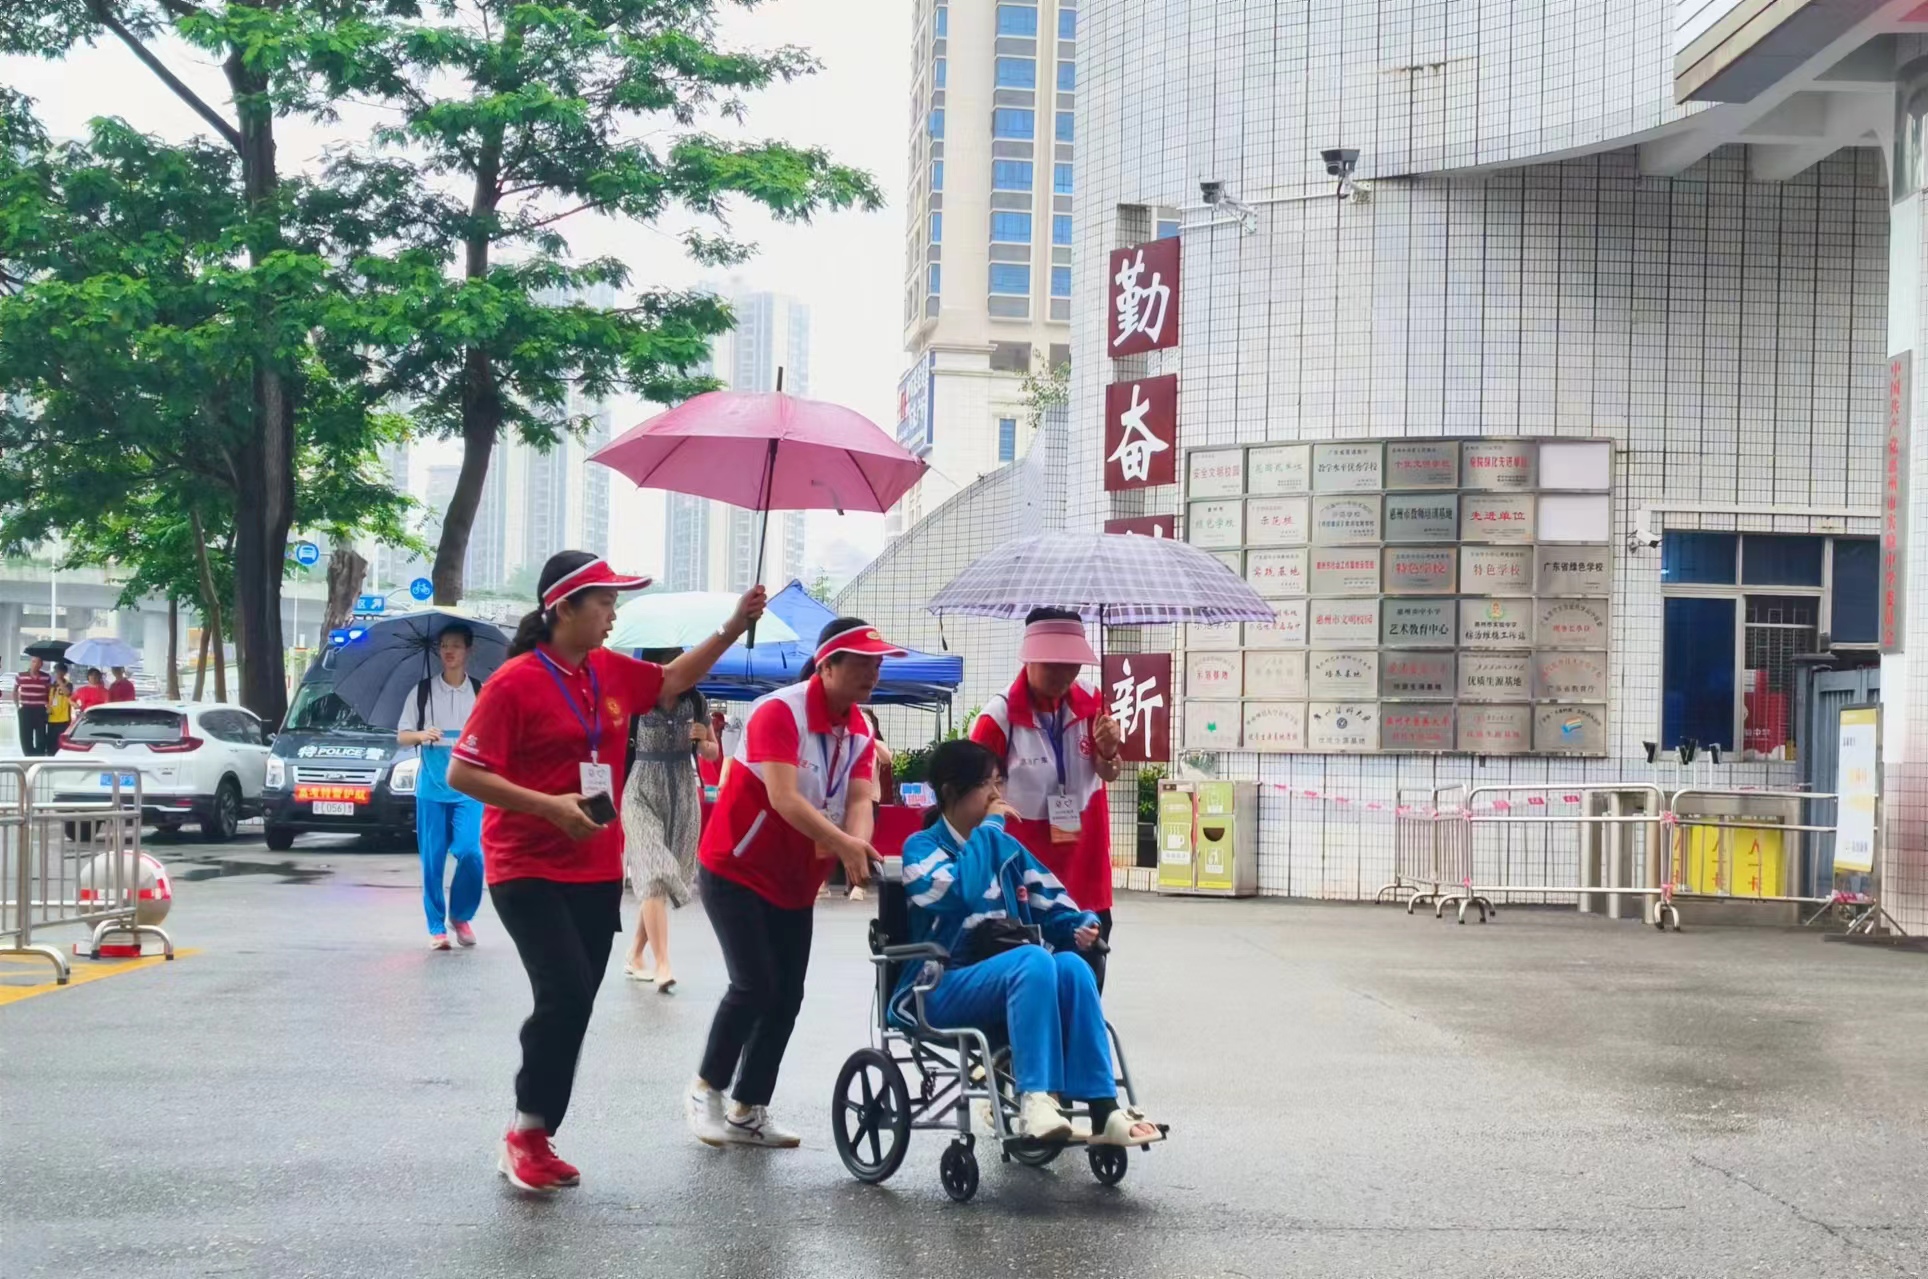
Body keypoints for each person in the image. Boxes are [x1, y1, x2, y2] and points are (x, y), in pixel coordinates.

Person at [446, 551, 765, 1195]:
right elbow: (464, 773)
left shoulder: (609, 670)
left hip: (593, 867)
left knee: (576, 1003)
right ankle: (525, 1133)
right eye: (604, 603)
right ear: (563, 608)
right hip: (526, 864)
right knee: (563, 992)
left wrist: (734, 625)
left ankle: (536, 1132)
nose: (613, 615)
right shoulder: (513, 683)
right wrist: (549, 807)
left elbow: (673, 678)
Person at [687, 616, 902, 1149]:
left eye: (877, 664)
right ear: (826, 665)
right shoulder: (779, 711)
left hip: (795, 879)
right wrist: (844, 843)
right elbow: (783, 798)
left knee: (787, 995)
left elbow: (860, 799)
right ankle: (705, 1089)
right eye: (861, 662)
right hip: (736, 866)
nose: (872, 673)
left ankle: (748, 1109)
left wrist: (856, 845)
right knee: (754, 983)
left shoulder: (860, 729)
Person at [897, 739, 1162, 1146]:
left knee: (1071, 967)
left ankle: (1103, 1108)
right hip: (939, 983)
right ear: (950, 791)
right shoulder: (921, 848)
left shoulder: (1007, 849)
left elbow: (1053, 902)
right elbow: (961, 893)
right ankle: (1035, 1099)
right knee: (1034, 961)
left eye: (999, 782)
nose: (996, 795)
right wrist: (989, 829)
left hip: (1007, 972)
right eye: (986, 784)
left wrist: (1080, 924)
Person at [970, 609, 1124, 987]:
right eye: (1053, 664)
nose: (1064, 674)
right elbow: (973, 799)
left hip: (1085, 869)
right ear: (1029, 656)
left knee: (1086, 983)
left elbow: (1109, 773)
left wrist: (1110, 751)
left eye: (1072, 664)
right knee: (1036, 983)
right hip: (1027, 882)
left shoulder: (1093, 703)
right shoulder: (998, 719)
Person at [618, 647, 719, 992]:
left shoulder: (697, 702)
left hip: (682, 791)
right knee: (654, 870)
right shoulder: (636, 699)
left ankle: (635, 953)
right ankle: (662, 963)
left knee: (663, 877)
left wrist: (703, 740)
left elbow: (712, 753)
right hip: (640, 791)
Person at [397, 624, 486, 951]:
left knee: (471, 853)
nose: (449, 651)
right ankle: (436, 927)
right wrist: (422, 735)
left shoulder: (480, 692)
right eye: (444, 645)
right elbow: (403, 736)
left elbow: (493, 734)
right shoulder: (422, 692)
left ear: (468, 651)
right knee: (432, 863)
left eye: (456, 645)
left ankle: (460, 915)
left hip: (469, 788)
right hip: (432, 789)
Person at [12, 656, 50, 757]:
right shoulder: (20, 676)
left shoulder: (46, 677)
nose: (35, 664)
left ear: (41, 665)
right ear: (30, 663)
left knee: (41, 736)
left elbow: (49, 693)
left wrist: (48, 706)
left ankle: (39, 756)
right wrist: (17, 705)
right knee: (25, 736)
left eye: (38, 662)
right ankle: (28, 756)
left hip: (40, 709)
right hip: (25, 709)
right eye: (33, 662)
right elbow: (15, 691)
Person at [45, 670, 74, 748]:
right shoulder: (52, 685)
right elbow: (48, 699)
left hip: (63, 719)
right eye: (57, 672)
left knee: (61, 743)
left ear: (64, 673)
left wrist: (60, 682)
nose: (58, 674)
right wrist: (48, 707)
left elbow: (67, 693)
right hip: (52, 718)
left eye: (60, 672)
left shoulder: (68, 684)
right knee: (50, 744)